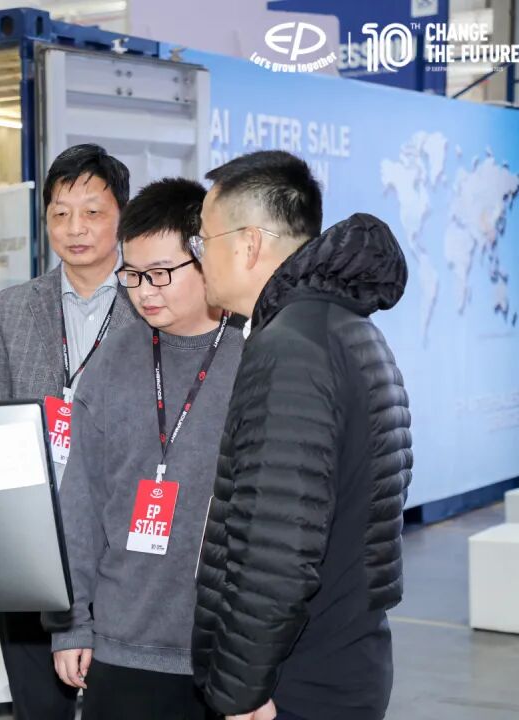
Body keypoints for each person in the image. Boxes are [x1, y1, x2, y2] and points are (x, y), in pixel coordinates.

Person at [191, 150, 414, 720]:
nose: (198, 257)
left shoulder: (291, 348)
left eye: (204, 240)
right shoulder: (345, 328)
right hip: (343, 661)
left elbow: (276, 554)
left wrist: (241, 691)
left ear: (248, 244)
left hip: (295, 683)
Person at [50, 178, 240, 719]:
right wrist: (71, 623)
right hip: (122, 643)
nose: (144, 291)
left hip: (226, 648)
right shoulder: (112, 362)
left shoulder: (255, 356)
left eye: (160, 273)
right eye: (132, 275)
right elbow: (80, 503)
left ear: (205, 258)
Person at [0, 143, 139, 720]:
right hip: (32, 540)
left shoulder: (150, 304)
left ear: (122, 215)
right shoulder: (13, 308)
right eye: (60, 213)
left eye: (93, 212)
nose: (75, 228)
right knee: (37, 705)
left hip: (120, 542)